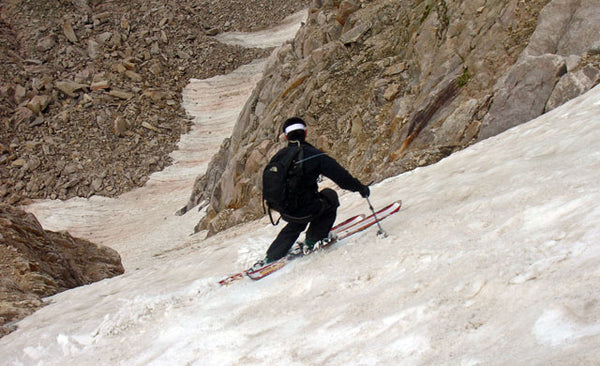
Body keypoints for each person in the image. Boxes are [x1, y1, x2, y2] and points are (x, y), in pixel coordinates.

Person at [256, 117, 370, 267]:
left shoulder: (280, 156)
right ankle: (313, 240)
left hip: (283, 209)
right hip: (305, 210)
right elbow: (342, 179)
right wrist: (361, 188)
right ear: (306, 133)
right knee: (329, 196)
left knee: (296, 221)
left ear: (285, 136)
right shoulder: (315, 155)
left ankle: (271, 257)